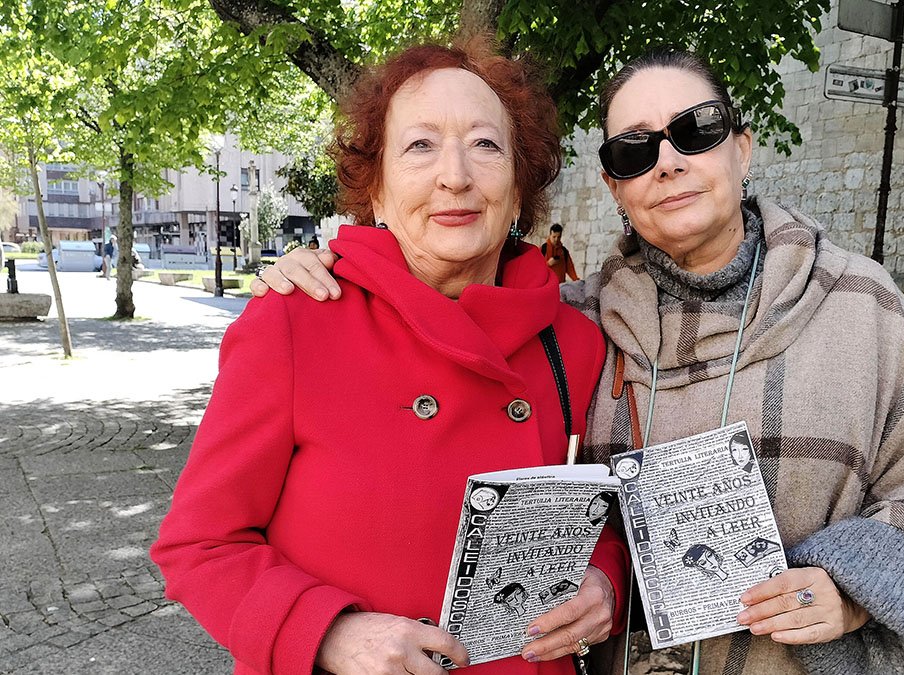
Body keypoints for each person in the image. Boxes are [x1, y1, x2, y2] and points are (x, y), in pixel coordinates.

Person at [256, 49, 904, 675]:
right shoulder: (577, 325)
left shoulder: (861, 305)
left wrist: (855, 586)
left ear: (741, 147)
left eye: (696, 131)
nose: (669, 162)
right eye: (635, 149)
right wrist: (330, 271)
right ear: (614, 185)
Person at [151, 40, 629, 675]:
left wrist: (605, 586)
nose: (454, 175)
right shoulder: (295, 318)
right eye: (420, 146)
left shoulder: (577, 341)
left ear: (518, 193)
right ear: (374, 192)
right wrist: (327, 634)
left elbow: (603, 514)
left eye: (486, 145)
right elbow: (200, 544)